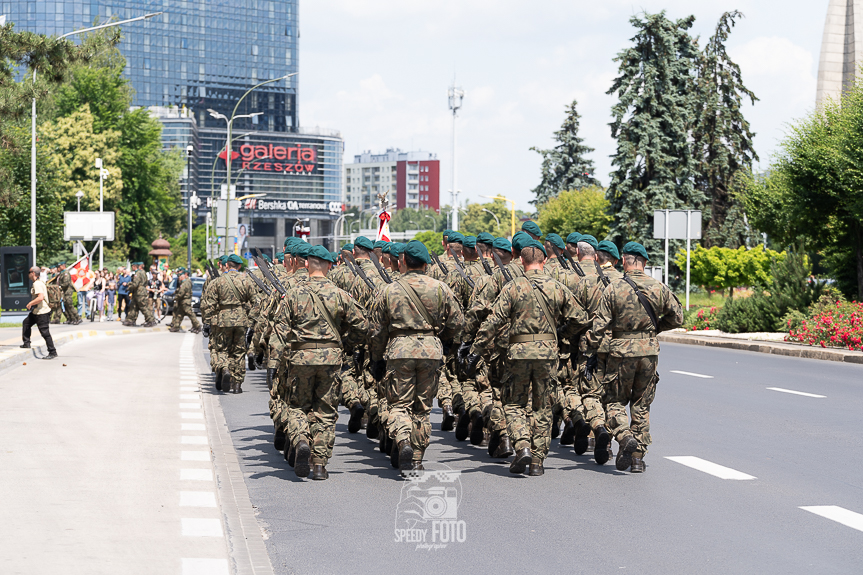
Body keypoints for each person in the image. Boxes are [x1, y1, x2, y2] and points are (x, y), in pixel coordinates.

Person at [465, 240, 589, 476]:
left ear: (521, 261)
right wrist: (562, 335)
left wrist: (475, 351)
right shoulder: (556, 287)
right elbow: (580, 319)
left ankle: (522, 446)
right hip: (548, 354)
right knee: (543, 406)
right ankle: (538, 461)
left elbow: (493, 322)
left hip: (518, 353)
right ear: (544, 262)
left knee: (513, 403)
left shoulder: (513, 287)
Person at [583, 242, 684, 473]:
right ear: (645, 262)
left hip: (620, 352)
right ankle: (638, 458)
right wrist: (653, 329)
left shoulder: (614, 288)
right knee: (641, 404)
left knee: (614, 401)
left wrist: (589, 349)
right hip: (649, 352)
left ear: (625, 260)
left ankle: (625, 436)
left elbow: (599, 327)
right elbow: (677, 318)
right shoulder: (659, 287)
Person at [370, 240, 464, 476]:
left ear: (402, 262)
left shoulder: (389, 289)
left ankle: (403, 441)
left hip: (399, 349)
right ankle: (417, 459)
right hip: (430, 350)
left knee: (399, 404)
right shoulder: (441, 288)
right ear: (426, 263)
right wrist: (444, 341)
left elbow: (377, 329)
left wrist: (376, 358)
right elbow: (457, 322)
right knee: (422, 408)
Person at [276, 246, 368, 480]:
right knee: (325, 411)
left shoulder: (294, 293)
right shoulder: (340, 295)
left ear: (306, 265)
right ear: (329, 266)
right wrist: (346, 345)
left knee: (297, 407)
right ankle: (319, 464)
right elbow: (363, 326)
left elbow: (279, 330)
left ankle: (300, 440)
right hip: (330, 359)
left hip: (301, 358)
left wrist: (275, 361)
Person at [201, 254, 256, 393]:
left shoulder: (218, 282)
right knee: (239, 351)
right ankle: (237, 384)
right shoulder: (246, 281)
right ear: (238, 266)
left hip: (223, 320)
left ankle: (225, 368)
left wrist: (207, 322)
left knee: (222, 348)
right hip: (241, 320)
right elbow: (257, 302)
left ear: (227, 265)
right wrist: (251, 321)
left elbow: (209, 304)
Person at [21, 266, 58, 360]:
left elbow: (40, 297)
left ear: (33, 273)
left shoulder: (37, 284)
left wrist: (30, 303)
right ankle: (26, 343)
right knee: (26, 323)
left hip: (42, 312)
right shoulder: (39, 282)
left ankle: (52, 352)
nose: (28, 274)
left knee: (45, 333)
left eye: (29, 272)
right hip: (37, 311)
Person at [169, 268, 202, 334]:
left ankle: (197, 325)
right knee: (179, 314)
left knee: (190, 314)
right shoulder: (184, 282)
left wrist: (175, 298)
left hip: (185, 302)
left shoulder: (186, 283)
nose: (179, 278)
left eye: (179, 277)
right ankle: (176, 326)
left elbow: (181, 293)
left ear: (182, 277)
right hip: (183, 302)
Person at [124, 262, 156, 327]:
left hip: (139, 292)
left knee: (143, 307)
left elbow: (135, 284)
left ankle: (151, 320)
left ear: (135, 266)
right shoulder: (143, 272)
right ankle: (130, 320)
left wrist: (129, 287)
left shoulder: (138, 273)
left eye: (132, 266)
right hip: (140, 292)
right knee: (133, 306)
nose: (132, 267)